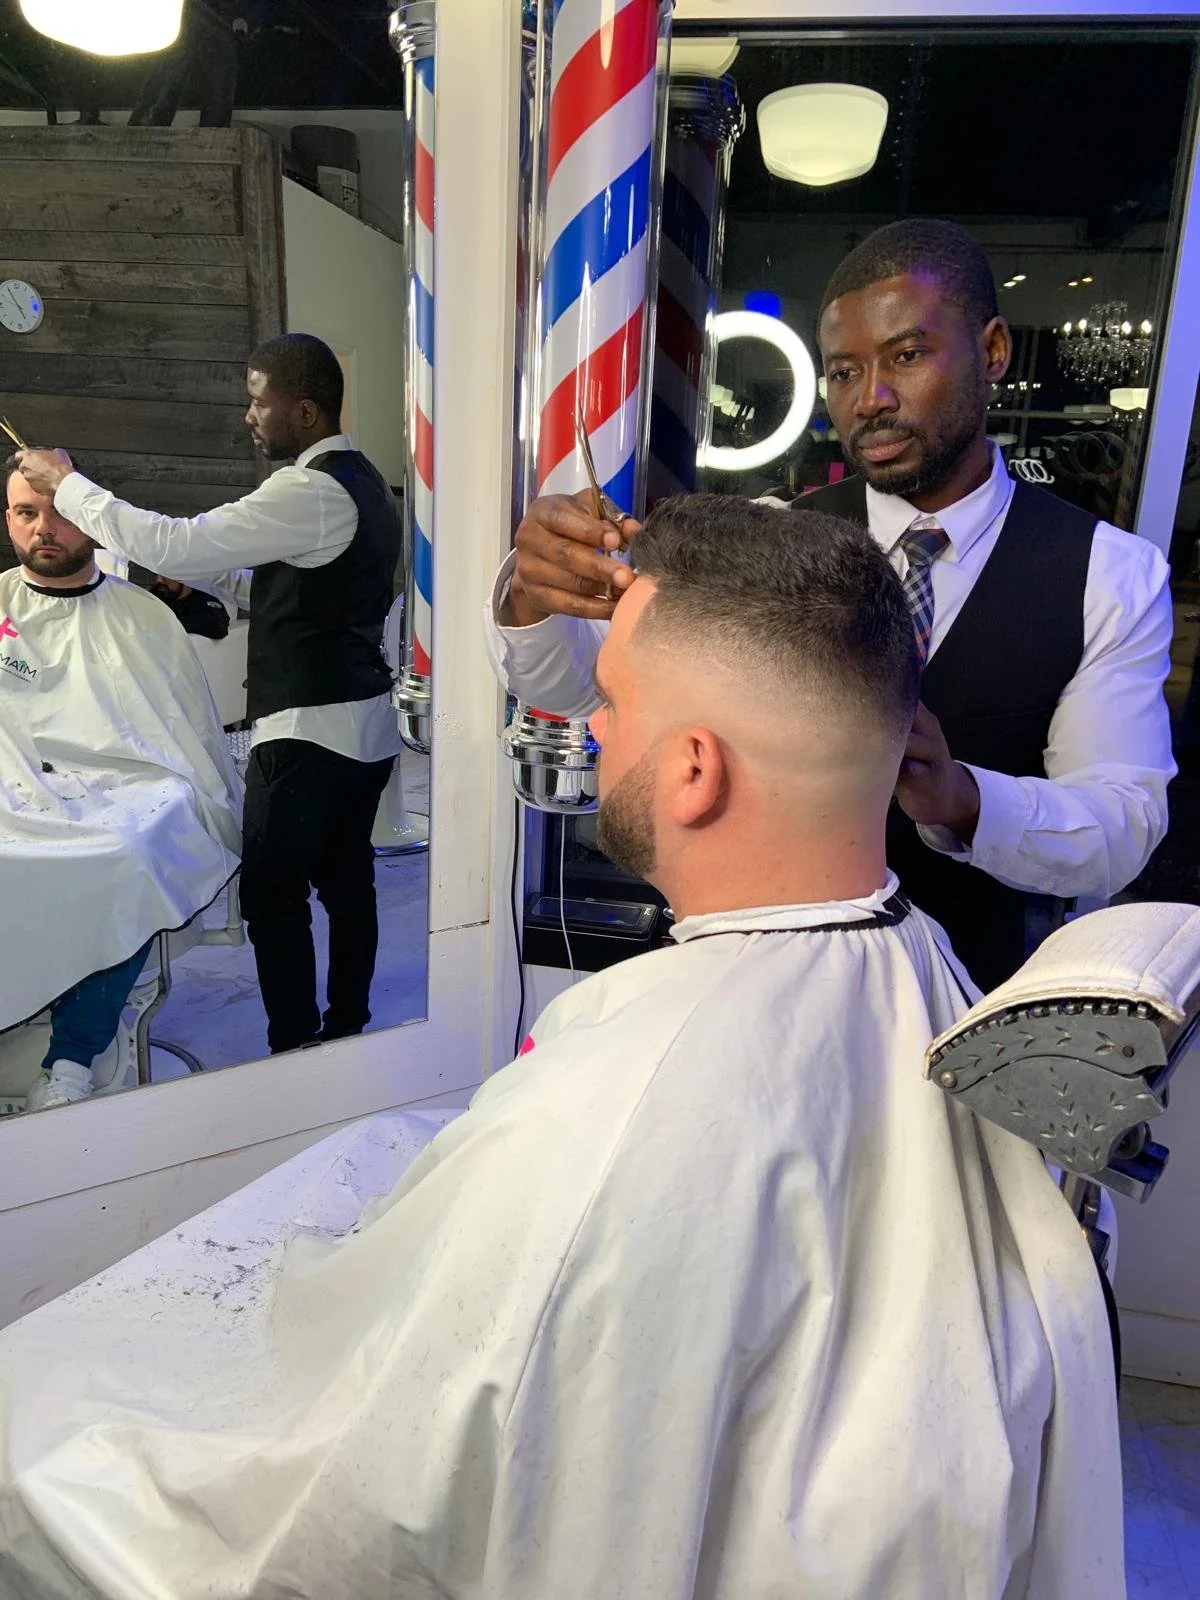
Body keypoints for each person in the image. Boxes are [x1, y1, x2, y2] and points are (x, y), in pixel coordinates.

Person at [0, 497, 1121, 1597]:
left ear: (693, 769)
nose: (591, 727)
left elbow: (376, 1502)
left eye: (615, 700)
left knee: (39, 1406)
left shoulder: (627, 1112)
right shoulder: (927, 973)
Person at [486, 219, 1175, 990]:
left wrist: (965, 800)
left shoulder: (1107, 576)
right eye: (843, 373)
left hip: (964, 993)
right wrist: (533, 601)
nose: (871, 400)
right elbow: (584, 691)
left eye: (906, 356)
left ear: (991, 352)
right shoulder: (778, 538)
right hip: (747, 972)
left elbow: (1124, 825)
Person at [17, 333, 404, 1055]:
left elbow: (178, 541)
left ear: (306, 410)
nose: (248, 416)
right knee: (349, 883)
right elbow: (282, 581)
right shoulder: (363, 483)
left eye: (259, 402)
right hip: (364, 724)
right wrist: (200, 581)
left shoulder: (310, 490)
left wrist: (66, 483)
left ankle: (293, 1046)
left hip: (310, 735)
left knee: (271, 895)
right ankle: (348, 1024)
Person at [0, 461, 241, 1109]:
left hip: (127, 787)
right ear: (8, 520)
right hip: (15, 789)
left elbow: (182, 733)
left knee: (127, 856)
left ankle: (73, 1057)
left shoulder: (140, 610)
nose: (43, 529)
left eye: (59, 511)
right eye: (26, 513)